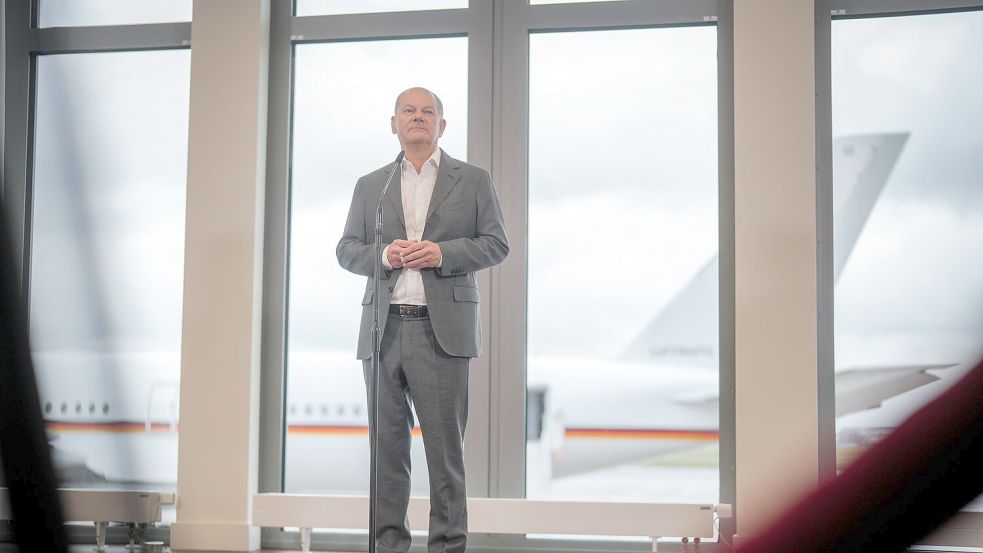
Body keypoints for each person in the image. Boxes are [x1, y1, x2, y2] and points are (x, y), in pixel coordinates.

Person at [336, 87, 509, 553]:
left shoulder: (472, 180)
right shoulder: (373, 184)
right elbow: (346, 250)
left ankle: (448, 548)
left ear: (441, 125)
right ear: (393, 123)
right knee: (387, 456)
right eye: (408, 111)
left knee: (445, 457)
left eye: (427, 111)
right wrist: (386, 254)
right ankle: (388, 547)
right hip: (383, 330)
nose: (418, 117)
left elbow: (496, 243)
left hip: (442, 333)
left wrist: (442, 253)